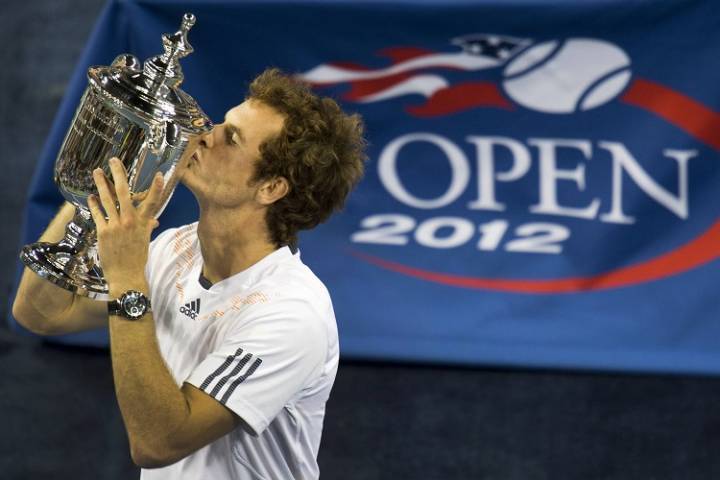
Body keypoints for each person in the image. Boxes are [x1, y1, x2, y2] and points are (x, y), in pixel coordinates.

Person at [12, 68, 367, 479]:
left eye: (231, 138)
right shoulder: (175, 248)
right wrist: (91, 195)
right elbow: (42, 313)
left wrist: (129, 281)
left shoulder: (291, 314)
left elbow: (158, 442)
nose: (203, 135)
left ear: (270, 188)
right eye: (221, 123)